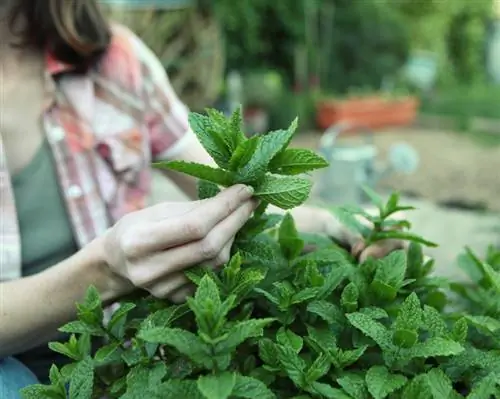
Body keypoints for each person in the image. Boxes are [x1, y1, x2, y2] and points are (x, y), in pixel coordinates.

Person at [0, 0, 402, 396]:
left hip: (119, 358)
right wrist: (106, 271)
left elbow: (235, 195)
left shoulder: (111, 59)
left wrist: (340, 224)